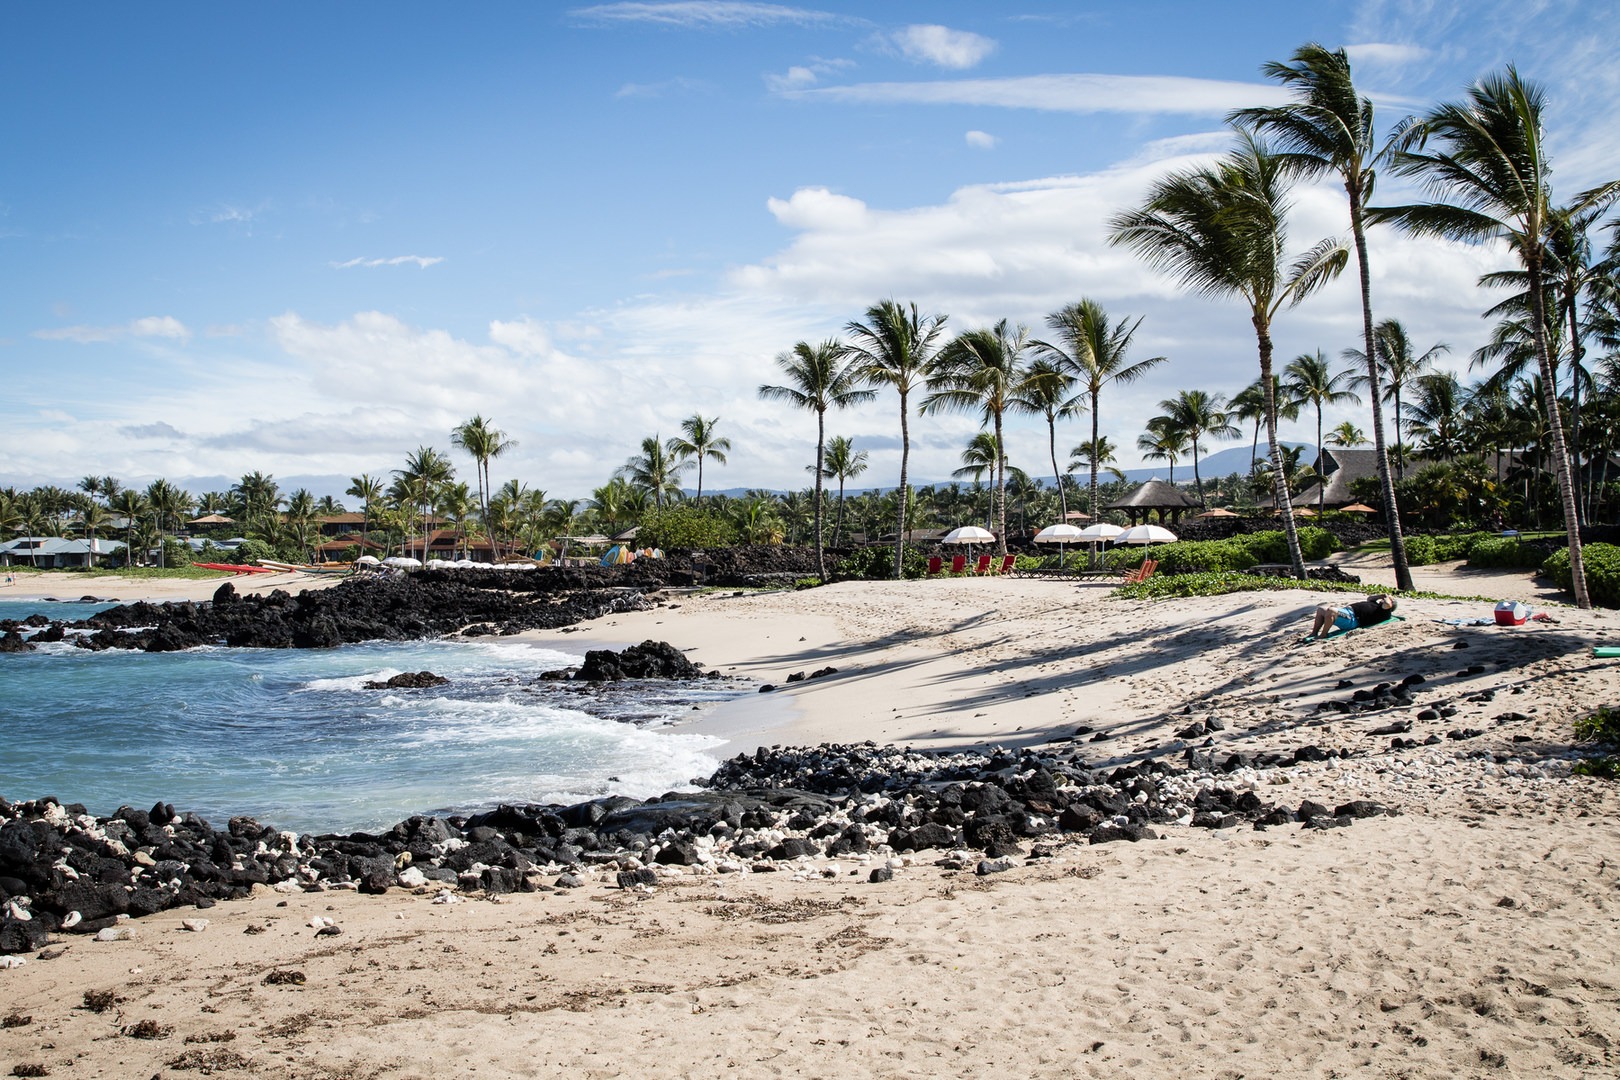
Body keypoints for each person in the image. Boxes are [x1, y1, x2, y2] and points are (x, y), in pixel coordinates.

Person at [1306, 593, 1397, 640]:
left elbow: (1387, 604)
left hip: (1353, 619)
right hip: (1347, 612)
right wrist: (1381, 596)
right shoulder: (1376, 604)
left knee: (1331, 611)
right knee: (1320, 609)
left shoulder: (1385, 612)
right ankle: (1314, 632)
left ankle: (1323, 634)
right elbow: (1369, 598)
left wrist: (1388, 598)